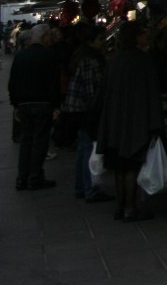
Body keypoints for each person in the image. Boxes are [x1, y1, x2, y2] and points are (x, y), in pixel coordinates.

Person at [97, 21, 164, 221]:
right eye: (143, 34)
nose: (146, 38)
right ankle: (130, 208)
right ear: (135, 36)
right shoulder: (142, 61)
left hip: (115, 120)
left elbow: (104, 92)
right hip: (135, 120)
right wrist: (155, 123)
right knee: (132, 165)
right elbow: (152, 92)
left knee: (119, 166)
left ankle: (120, 206)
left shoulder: (114, 60)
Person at [7, 23, 62, 190]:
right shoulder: (48, 55)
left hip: (24, 105)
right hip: (43, 104)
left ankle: (21, 177)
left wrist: (15, 104)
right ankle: (35, 176)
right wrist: (56, 106)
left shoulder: (21, 56)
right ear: (44, 37)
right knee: (40, 141)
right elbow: (54, 83)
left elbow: (12, 83)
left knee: (26, 140)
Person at [63, 23, 112, 202]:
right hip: (85, 110)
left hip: (76, 109)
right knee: (88, 148)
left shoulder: (81, 56)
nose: (104, 41)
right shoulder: (91, 60)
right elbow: (93, 91)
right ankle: (89, 188)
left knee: (83, 148)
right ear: (91, 41)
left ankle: (81, 187)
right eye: (100, 39)